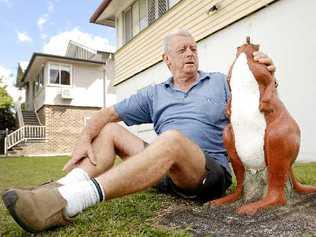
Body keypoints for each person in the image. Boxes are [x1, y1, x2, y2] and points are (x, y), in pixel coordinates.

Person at [2, 30, 276, 233]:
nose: (190, 53)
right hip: (165, 172)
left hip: (208, 173)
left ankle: (69, 202)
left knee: (172, 140)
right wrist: (83, 140)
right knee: (110, 130)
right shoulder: (155, 94)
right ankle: (59, 188)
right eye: (182, 50)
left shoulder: (218, 82)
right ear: (166, 59)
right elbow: (105, 115)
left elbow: (259, 92)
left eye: (193, 48)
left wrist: (265, 70)